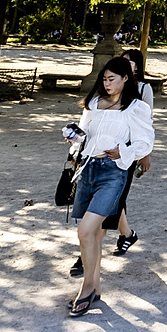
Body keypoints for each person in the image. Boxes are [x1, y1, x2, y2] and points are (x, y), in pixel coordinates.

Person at [66, 56, 155, 316]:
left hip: (112, 174)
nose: (106, 83)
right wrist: (73, 142)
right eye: (104, 78)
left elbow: (145, 141)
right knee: (93, 235)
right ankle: (96, 287)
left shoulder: (135, 107)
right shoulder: (93, 103)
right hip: (87, 170)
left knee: (85, 232)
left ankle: (86, 288)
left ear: (126, 78)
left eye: (112, 78)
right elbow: (82, 136)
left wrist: (123, 152)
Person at [100, 48, 155, 257]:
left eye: (130, 62)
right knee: (111, 197)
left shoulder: (143, 89)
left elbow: (147, 124)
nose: (126, 64)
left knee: (115, 197)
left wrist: (145, 154)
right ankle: (127, 234)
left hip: (128, 152)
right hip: (107, 150)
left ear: (137, 66)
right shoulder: (110, 87)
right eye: (123, 61)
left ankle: (88, 252)